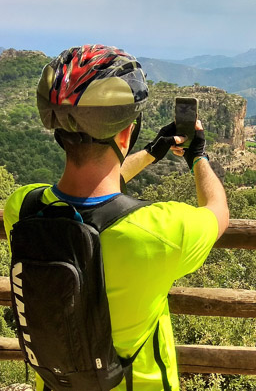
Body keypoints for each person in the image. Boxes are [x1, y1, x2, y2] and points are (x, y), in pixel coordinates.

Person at [2, 45, 229, 391]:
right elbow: (218, 211)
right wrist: (198, 157)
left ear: (60, 131)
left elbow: (93, 190)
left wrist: (152, 152)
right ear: (126, 133)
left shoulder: (22, 209)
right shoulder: (160, 230)